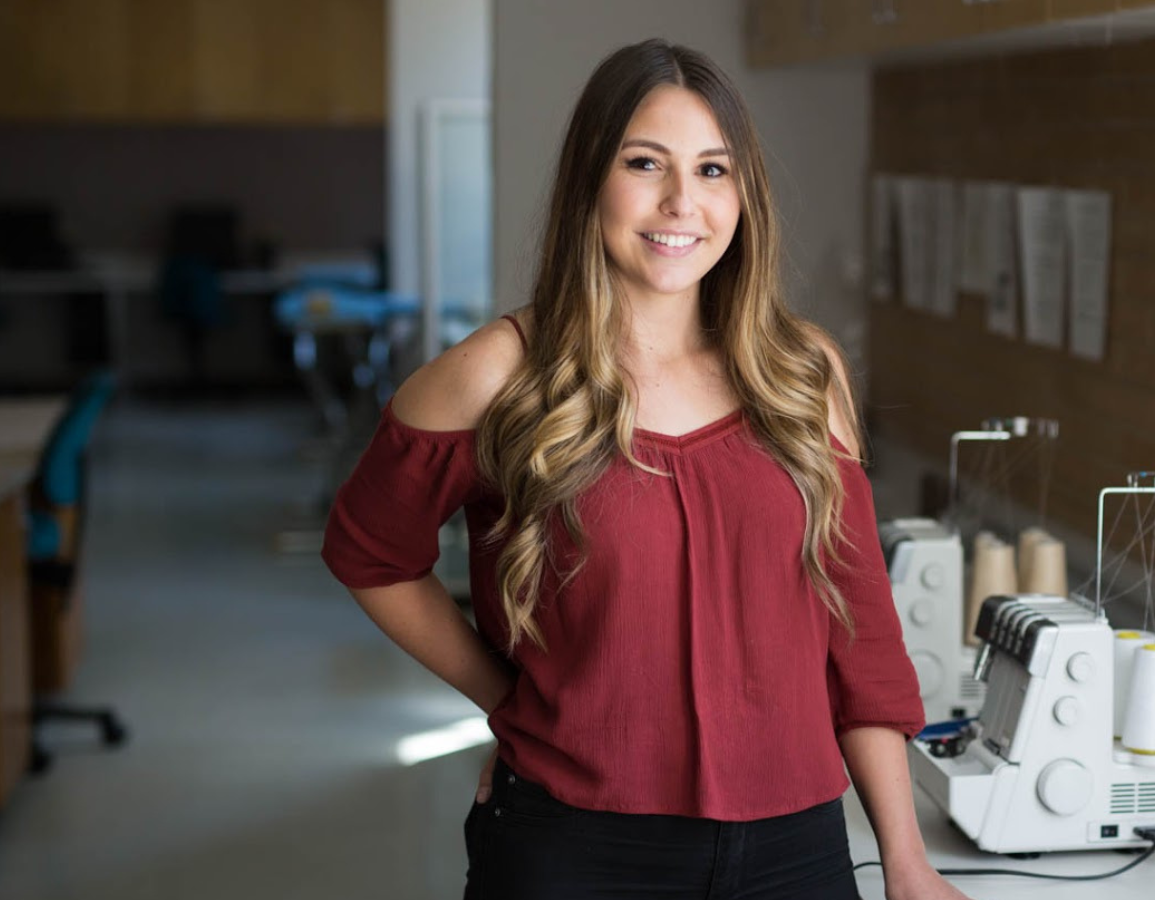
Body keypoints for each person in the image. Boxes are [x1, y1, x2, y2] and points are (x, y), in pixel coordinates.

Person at [321, 38, 972, 900]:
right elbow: (369, 553)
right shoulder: (496, 374)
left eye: (712, 170)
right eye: (645, 163)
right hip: (574, 847)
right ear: (592, 177)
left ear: (743, 194)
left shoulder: (802, 372)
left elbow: (860, 631)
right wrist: (506, 696)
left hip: (796, 850)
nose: (681, 202)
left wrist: (905, 858)